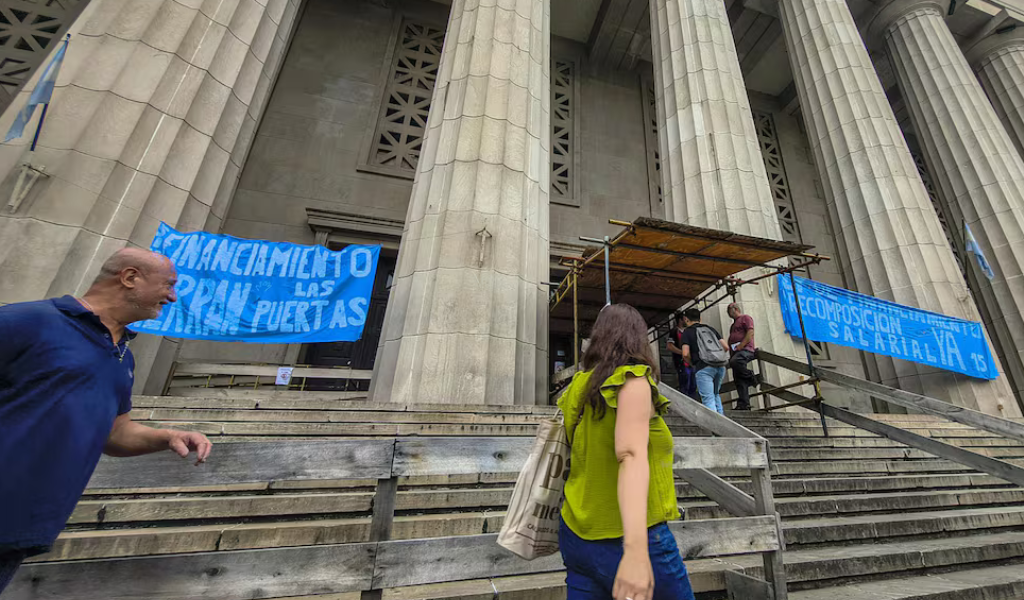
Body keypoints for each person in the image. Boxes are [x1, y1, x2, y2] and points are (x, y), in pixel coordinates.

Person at [0, 248, 213, 593]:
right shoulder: (26, 321)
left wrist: (166, 436)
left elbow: (115, 432)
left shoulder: (123, 356)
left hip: (23, 525)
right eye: (169, 284)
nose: (173, 296)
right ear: (129, 278)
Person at [557, 304, 696, 600]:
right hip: (629, 533)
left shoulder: (576, 387)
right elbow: (630, 456)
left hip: (576, 532)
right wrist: (635, 552)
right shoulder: (632, 380)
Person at [679, 307, 730, 415]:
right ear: (700, 318)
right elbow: (725, 347)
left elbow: (685, 353)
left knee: (708, 398)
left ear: (686, 319)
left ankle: (714, 424)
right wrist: (716, 356)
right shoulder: (710, 329)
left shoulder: (687, 332)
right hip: (720, 366)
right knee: (715, 394)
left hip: (703, 367)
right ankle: (722, 422)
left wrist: (692, 364)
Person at [727, 302, 757, 411]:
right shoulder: (733, 325)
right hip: (736, 352)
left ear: (735, 309)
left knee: (735, 362)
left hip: (745, 349)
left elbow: (750, 332)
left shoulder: (745, 318)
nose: (728, 314)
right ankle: (743, 404)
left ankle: (750, 375)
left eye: (729, 311)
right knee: (738, 379)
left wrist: (741, 345)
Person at [665, 314, 697, 398]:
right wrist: (682, 352)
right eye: (685, 319)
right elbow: (669, 346)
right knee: (685, 385)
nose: (687, 320)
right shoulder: (674, 331)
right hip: (682, 363)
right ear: (680, 320)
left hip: (692, 362)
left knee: (693, 385)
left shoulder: (689, 331)